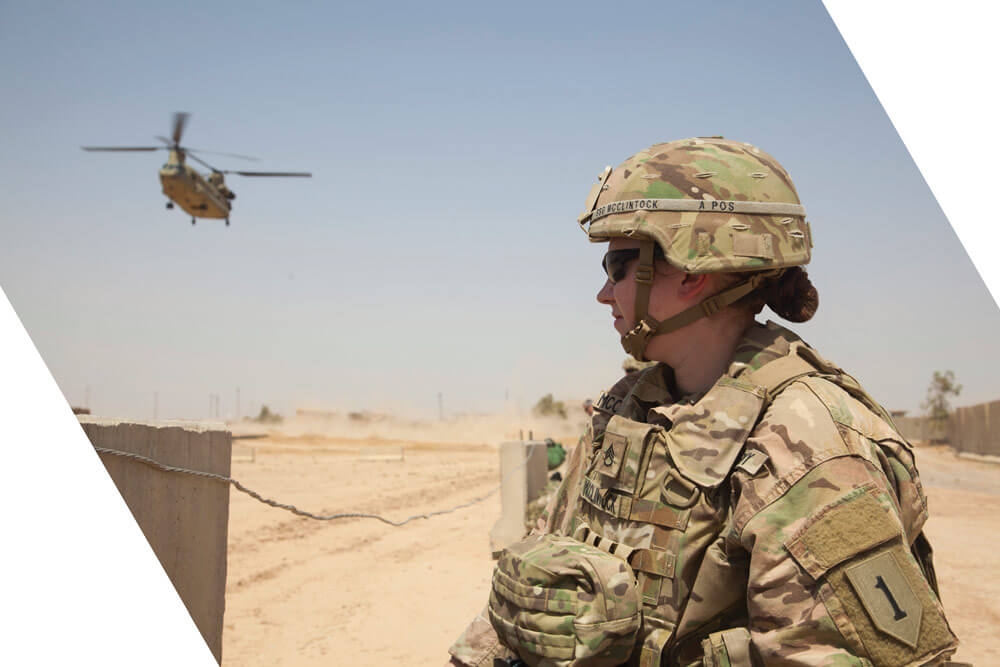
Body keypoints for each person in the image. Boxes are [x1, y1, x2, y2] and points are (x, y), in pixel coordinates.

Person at [448, 138, 959, 666]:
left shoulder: (808, 445)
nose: (604, 293)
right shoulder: (632, 404)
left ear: (691, 272)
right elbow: (544, 566)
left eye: (618, 265)